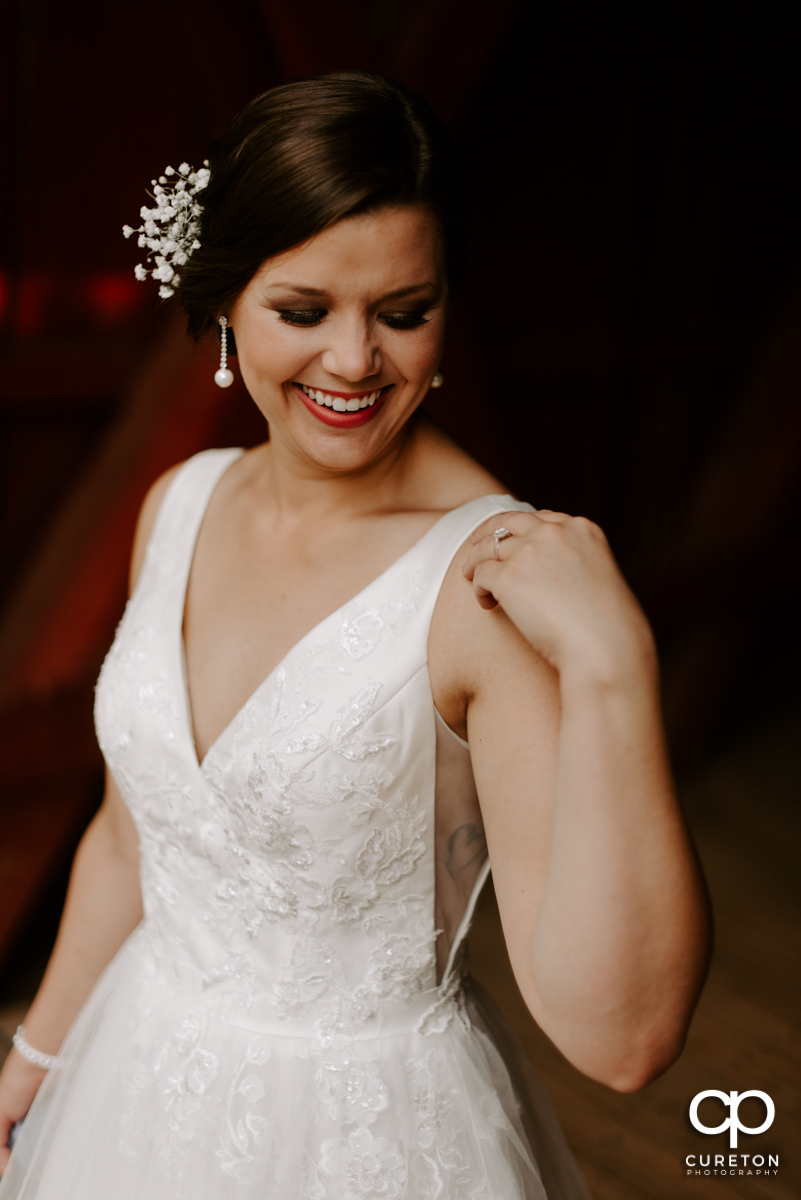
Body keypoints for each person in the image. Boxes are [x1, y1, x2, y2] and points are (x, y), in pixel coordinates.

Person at [0, 71, 710, 1199]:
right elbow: (137, 846)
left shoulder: (486, 586)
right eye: (305, 310)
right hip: (134, 1085)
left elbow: (620, 1040)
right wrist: (36, 1058)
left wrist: (617, 669)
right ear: (226, 298)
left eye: (404, 312)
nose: (353, 361)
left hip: (362, 1143)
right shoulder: (179, 504)